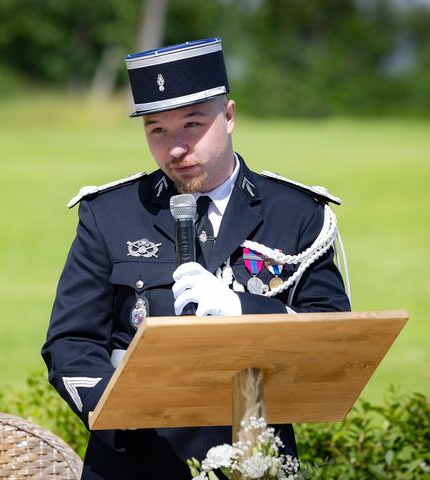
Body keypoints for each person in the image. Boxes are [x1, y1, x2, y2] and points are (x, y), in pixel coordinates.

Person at [42, 37, 350, 480]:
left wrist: (243, 310)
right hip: (139, 459)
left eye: (192, 124)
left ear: (228, 117)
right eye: (157, 130)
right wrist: (123, 416)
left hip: (256, 458)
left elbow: (334, 338)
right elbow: (70, 342)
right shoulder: (109, 215)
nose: (175, 149)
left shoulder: (296, 213)